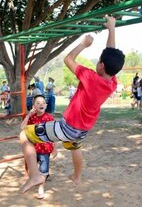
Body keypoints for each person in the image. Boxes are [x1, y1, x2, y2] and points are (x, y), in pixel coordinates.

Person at [19, 15, 125, 193]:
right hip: (82, 130)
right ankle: (77, 176)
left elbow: (68, 59)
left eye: (99, 61)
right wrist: (111, 28)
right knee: (74, 146)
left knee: (24, 135)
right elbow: (110, 53)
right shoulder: (111, 83)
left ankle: (35, 175)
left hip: (68, 127)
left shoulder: (91, 78)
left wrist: (83, 44)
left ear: (101, 65)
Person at [21, 95, 57, 199]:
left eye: (43, 102)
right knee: (32, 168)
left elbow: (53, 134)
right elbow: (22, 127)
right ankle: (36, 178)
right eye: (38, 103)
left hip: (45, 149)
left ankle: (41, 188)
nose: (41, 104)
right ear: (34, 106)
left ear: (46, 105)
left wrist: (55, 148)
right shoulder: (32, 118)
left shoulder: (49, 117)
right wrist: (28, 115)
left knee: (44, 169)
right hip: (33, 149)